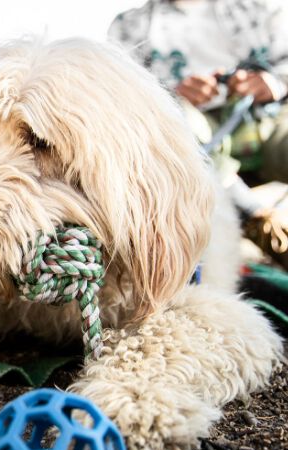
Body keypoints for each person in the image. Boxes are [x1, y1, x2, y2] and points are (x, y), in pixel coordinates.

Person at [109, 0, 288, 267]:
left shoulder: (260, 8)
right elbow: (121, 98)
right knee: (174, 123)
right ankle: (263, 224)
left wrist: (271, 83)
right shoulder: (129, 27)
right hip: (195, 136)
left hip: (269, 118)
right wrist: (172, 94)